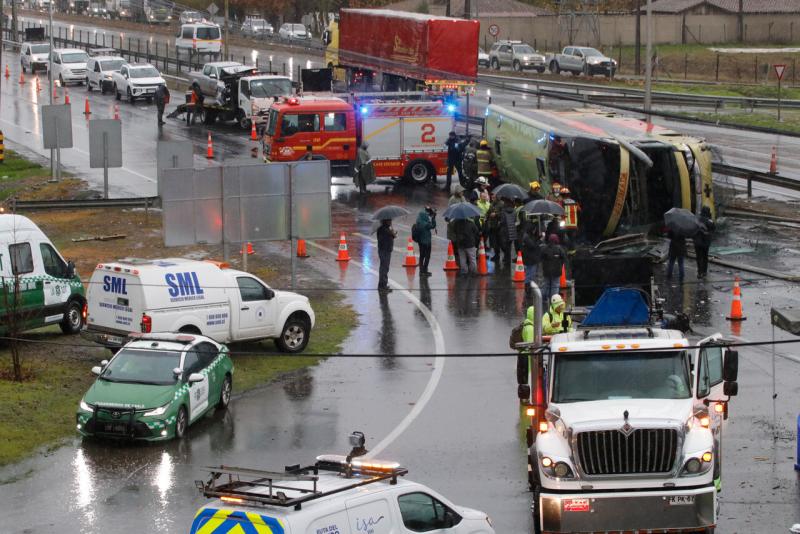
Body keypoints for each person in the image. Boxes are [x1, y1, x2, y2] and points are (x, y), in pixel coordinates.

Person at [540, 233, 567, 303]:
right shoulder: (559, 249)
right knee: (555, 285)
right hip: (556, 271)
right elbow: (564, 258)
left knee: (546, 284)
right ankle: (554, 300)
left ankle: (543, 298)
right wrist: (560, 264)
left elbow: (541, 258)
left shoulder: (545, 248)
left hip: (546, 271)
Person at [693, 206, 715, 279]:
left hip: (697, 243)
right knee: (705, 257)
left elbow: (693, 230)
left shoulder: (697, 220)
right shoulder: (710, 221)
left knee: (699, 257)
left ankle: (699, 272)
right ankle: (704, 272)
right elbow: (713, 229)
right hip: (706, 243)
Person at [414, 206, 436, 277]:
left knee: (421, 256)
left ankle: (421, 271)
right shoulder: (426, 224)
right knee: (427, 256)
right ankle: (424, 270)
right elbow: (433, 226)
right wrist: (433, 218)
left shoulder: (418, 222)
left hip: (420, 242)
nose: (427, 215)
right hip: (426, 242)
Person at [376, 219, 396, 292]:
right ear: (385, 221)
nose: (391, 222)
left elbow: (392, 236)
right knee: (384, 268)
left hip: (386, 250)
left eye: (391, 220)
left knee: (385, 268)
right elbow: (384, 239)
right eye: (389, 221)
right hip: (384, 250)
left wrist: (392, 234)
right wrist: (391, 233)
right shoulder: (383, 229)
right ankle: (382, 286)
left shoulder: (386, 229)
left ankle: (383, 285)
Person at [520, 221, 541, 292]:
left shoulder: (528, 236)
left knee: (530, 274)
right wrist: (539, 241)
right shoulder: (527, 237)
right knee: (530, 275)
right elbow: (533, 245)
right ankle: (528, 290)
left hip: (530, 258)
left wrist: (538, 238)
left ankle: (528, 289)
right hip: (530, 259)